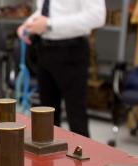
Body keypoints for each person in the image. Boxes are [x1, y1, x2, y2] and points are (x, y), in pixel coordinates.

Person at [17, 0, 105, 137]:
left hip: (71, 51)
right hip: (44, 49)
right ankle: (47, 158)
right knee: (47, 118)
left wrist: (49, 24)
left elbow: (97, 15)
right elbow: (47, 10)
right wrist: (28, 23)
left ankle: (81, 157)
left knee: (76, 118)